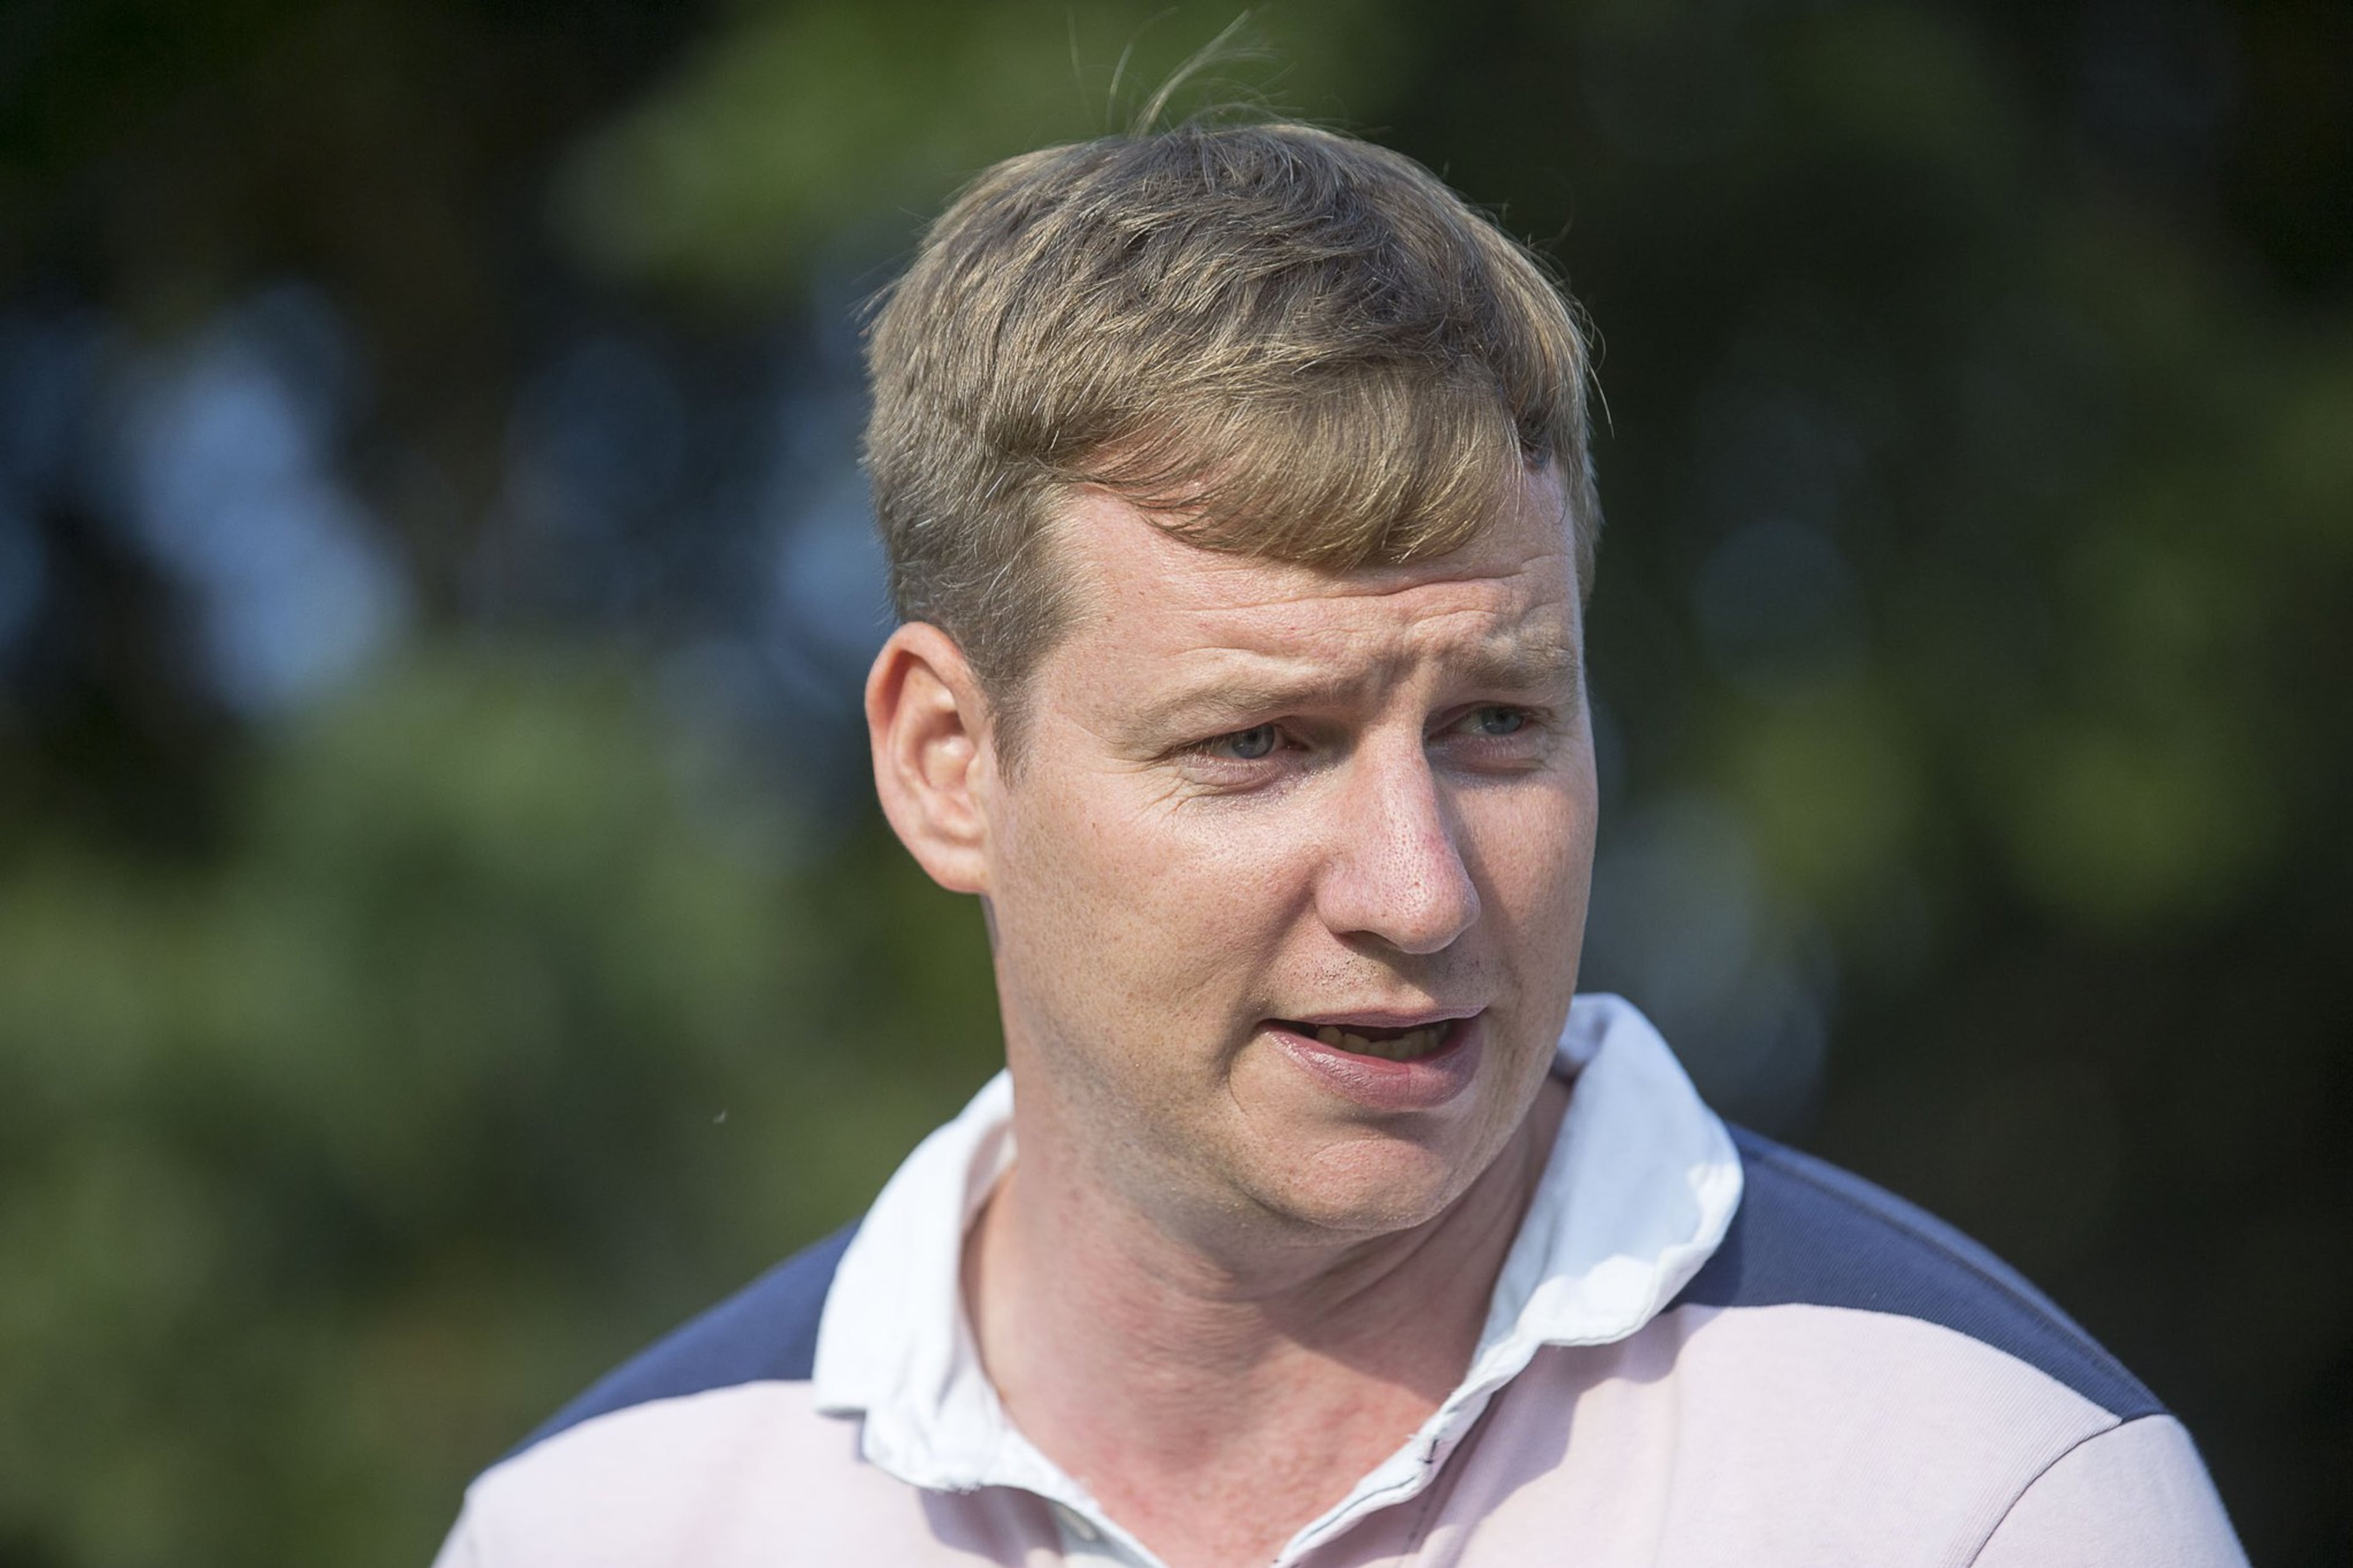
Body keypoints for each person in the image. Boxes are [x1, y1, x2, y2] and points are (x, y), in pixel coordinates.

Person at [432, 119, 2246, 1567]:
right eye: (1261, 743)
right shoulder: (603, 1530)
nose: (1420, 890)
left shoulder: (1981, 1499)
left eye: (1497, 723)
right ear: (948, 763)